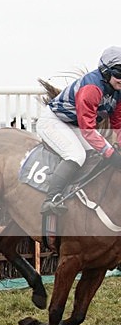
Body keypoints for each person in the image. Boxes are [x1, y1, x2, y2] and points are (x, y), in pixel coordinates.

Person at [37, 46, 121, 215]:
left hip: (74, 125)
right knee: (76, 155)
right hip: (54, 121)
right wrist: (111, 153)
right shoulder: (91, 89)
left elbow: (118, 124)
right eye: (119, 72)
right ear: (105, 71)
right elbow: (88, 130)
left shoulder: (118, 91)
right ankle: (51, 199)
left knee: (97, 155)